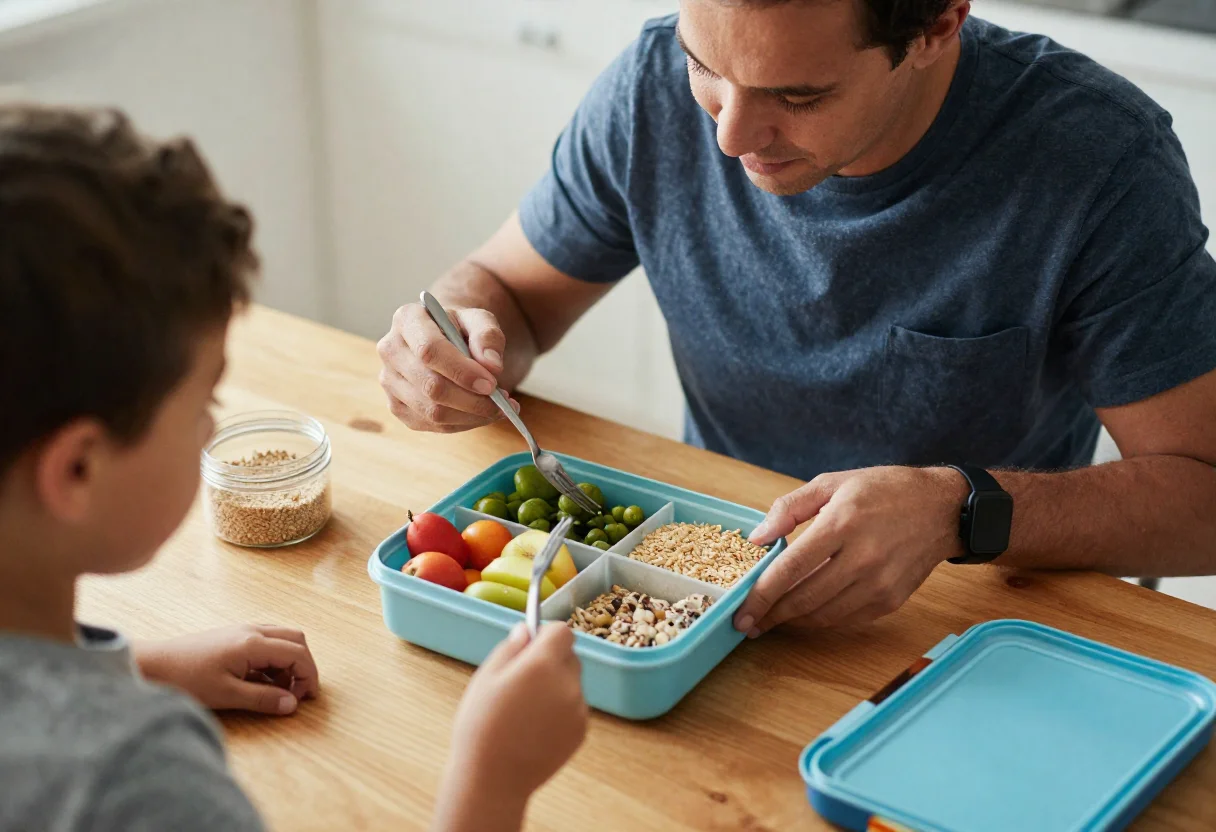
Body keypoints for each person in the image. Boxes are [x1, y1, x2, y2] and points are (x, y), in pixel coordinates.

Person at [377, 0, 1216, 635]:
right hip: (705, 588)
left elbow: (1204, 499)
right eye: (704, 66)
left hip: (980, 611)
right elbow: (510, 292)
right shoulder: (647, 89)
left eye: (800, 95)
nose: (732, 137)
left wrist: (957, 508)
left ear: (937, 24)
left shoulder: (1099, 162)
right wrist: (460, 330)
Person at [0, 104, 587, 832]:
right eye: (202, 405)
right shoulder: (134, 777)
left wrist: (136, 667)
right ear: (78, 470)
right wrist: (491, 780)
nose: (212, 427)